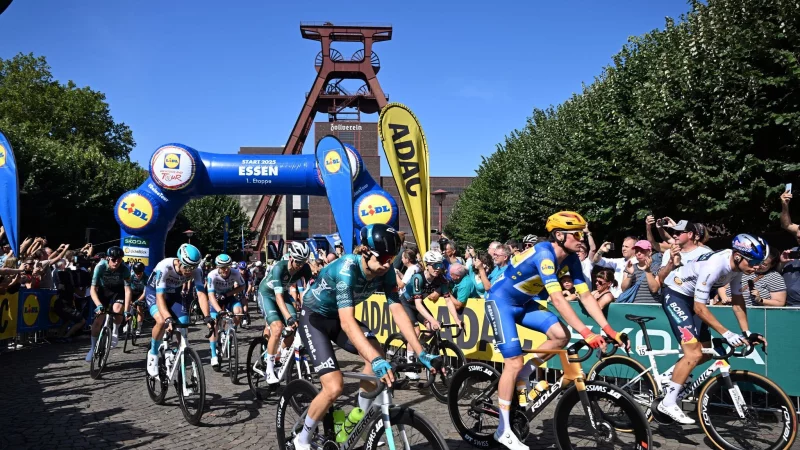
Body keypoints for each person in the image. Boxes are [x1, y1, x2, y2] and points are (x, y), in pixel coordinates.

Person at [485, 211, 627, 450]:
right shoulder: (544, 254)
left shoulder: (571, 258)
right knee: (513, 361)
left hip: (523, 303)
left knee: (562, 336)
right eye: (577, 233)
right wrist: (587, 332)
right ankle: (503, 429)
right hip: (500, 302)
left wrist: (609, 330)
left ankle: (523, 374)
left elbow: (585, 296)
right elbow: (559, 300)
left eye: (583, 233)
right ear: (559, 235)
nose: (582, 238)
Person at [292, 224, 441, 450]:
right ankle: (302, 439)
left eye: (391, 258)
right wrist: (376, 359)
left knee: (376, 353)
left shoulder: (386, 269)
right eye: (382, 258)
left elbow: (398, 311)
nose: (387, 264)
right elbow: (347, 322)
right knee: (334, 387)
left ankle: (356, 421)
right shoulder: (346, 269)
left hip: (338, 319)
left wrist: (420, 351)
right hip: (315, 318)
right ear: (365, 251)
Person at [656, 234, 769, 424]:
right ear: (738, 256)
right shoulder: (716, 265)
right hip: (675, 294)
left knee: (706, 353)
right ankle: (667, 403)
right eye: (754, 261)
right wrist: (726, 333)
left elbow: (737, 301)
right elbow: (700, 309)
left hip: (691, 299)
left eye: (760, 261)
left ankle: (672, 375)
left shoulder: (738, 268)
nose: (758, 266)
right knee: (692, 353)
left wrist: (746, 332)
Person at [145, 244, 211, 377]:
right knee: (162, 321)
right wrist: (168, 317)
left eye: (193, 267)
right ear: (179, 261)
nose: (189, 271)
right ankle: (153, 354)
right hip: (154, 293)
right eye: (186, 267)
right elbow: (160, 297)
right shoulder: (165, 266)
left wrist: (207, 316)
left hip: (174, 294)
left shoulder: (196, 271)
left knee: (184, 322)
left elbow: (201, 294)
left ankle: (181, 350)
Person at [257, 241, 312, 383]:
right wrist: (288, 317)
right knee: (277, 327)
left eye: (303, 262)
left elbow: (311, 291)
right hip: (267, 294)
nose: (300, 266)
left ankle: (279, 353)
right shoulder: (279, 268)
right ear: (291, 258)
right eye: (298, 262)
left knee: (294, 328)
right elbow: (278, 297)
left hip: (283, 294)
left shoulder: (304, 268)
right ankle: (269, 370)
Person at [85, 246, 132, 362]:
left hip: (118, 291)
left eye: (119, 259)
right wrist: (98, 305)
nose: (116, 262)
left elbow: (127, 291)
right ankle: (92, 348)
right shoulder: (100, 266)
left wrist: (126, 311)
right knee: (98, 321)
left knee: (117, 311)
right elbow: (92, 289)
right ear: (108, 258)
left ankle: (115, 330)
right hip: (103, 290)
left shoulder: (125, 269)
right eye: (114, 259)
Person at [206, 254, 246, 370]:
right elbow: (211, 296)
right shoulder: (212, 275)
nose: (226, 269)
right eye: (223, 267)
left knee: (239, 312)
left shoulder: (235, 273)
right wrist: (219, 310)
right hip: (215, 299)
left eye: (228, 266)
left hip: (228, 297)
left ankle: (229, 331)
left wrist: (228, 294)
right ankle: (213, 354)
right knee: (213, 325)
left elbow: (242, 286)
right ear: (218, 267)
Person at [126, 262, 148, 337]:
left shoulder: (145, 277)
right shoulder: (131, 276)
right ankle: (127, 323)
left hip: (141, 293)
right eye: (136, 273)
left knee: (140, 309)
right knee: (127, 306)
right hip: (132, 292)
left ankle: (139, 327)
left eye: (140, 273)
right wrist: (129, 300)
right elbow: (126, 289)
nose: (138, 275)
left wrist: (138, 301)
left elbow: (145, 292)